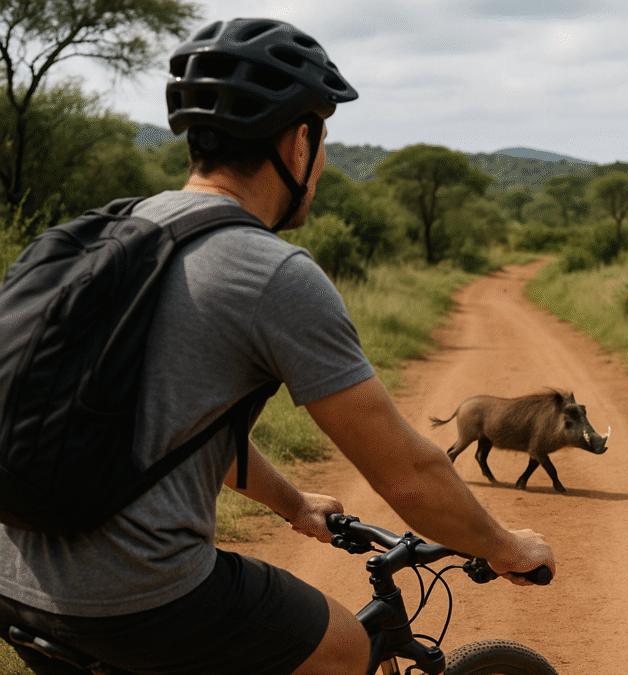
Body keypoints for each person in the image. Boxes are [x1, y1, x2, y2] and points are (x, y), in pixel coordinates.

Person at [0, 17, 554, 675]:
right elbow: (407, 473)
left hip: (16, 580)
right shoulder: (271, 271)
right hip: (136, 595)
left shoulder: (114, 234)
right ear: (298, 143)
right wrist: (505, 545)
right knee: (346, 646)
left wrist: (292, 503)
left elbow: (180, 426)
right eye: (323, 140)